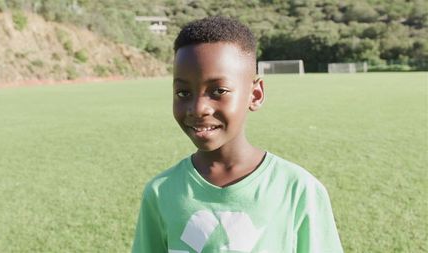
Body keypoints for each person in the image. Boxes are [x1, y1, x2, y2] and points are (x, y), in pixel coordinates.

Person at [131, 16, 343, 253]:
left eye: (218, 91)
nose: (198, 108)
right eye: (183, 93)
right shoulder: (160, 192)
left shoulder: (298, 189)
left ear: (255, 95)